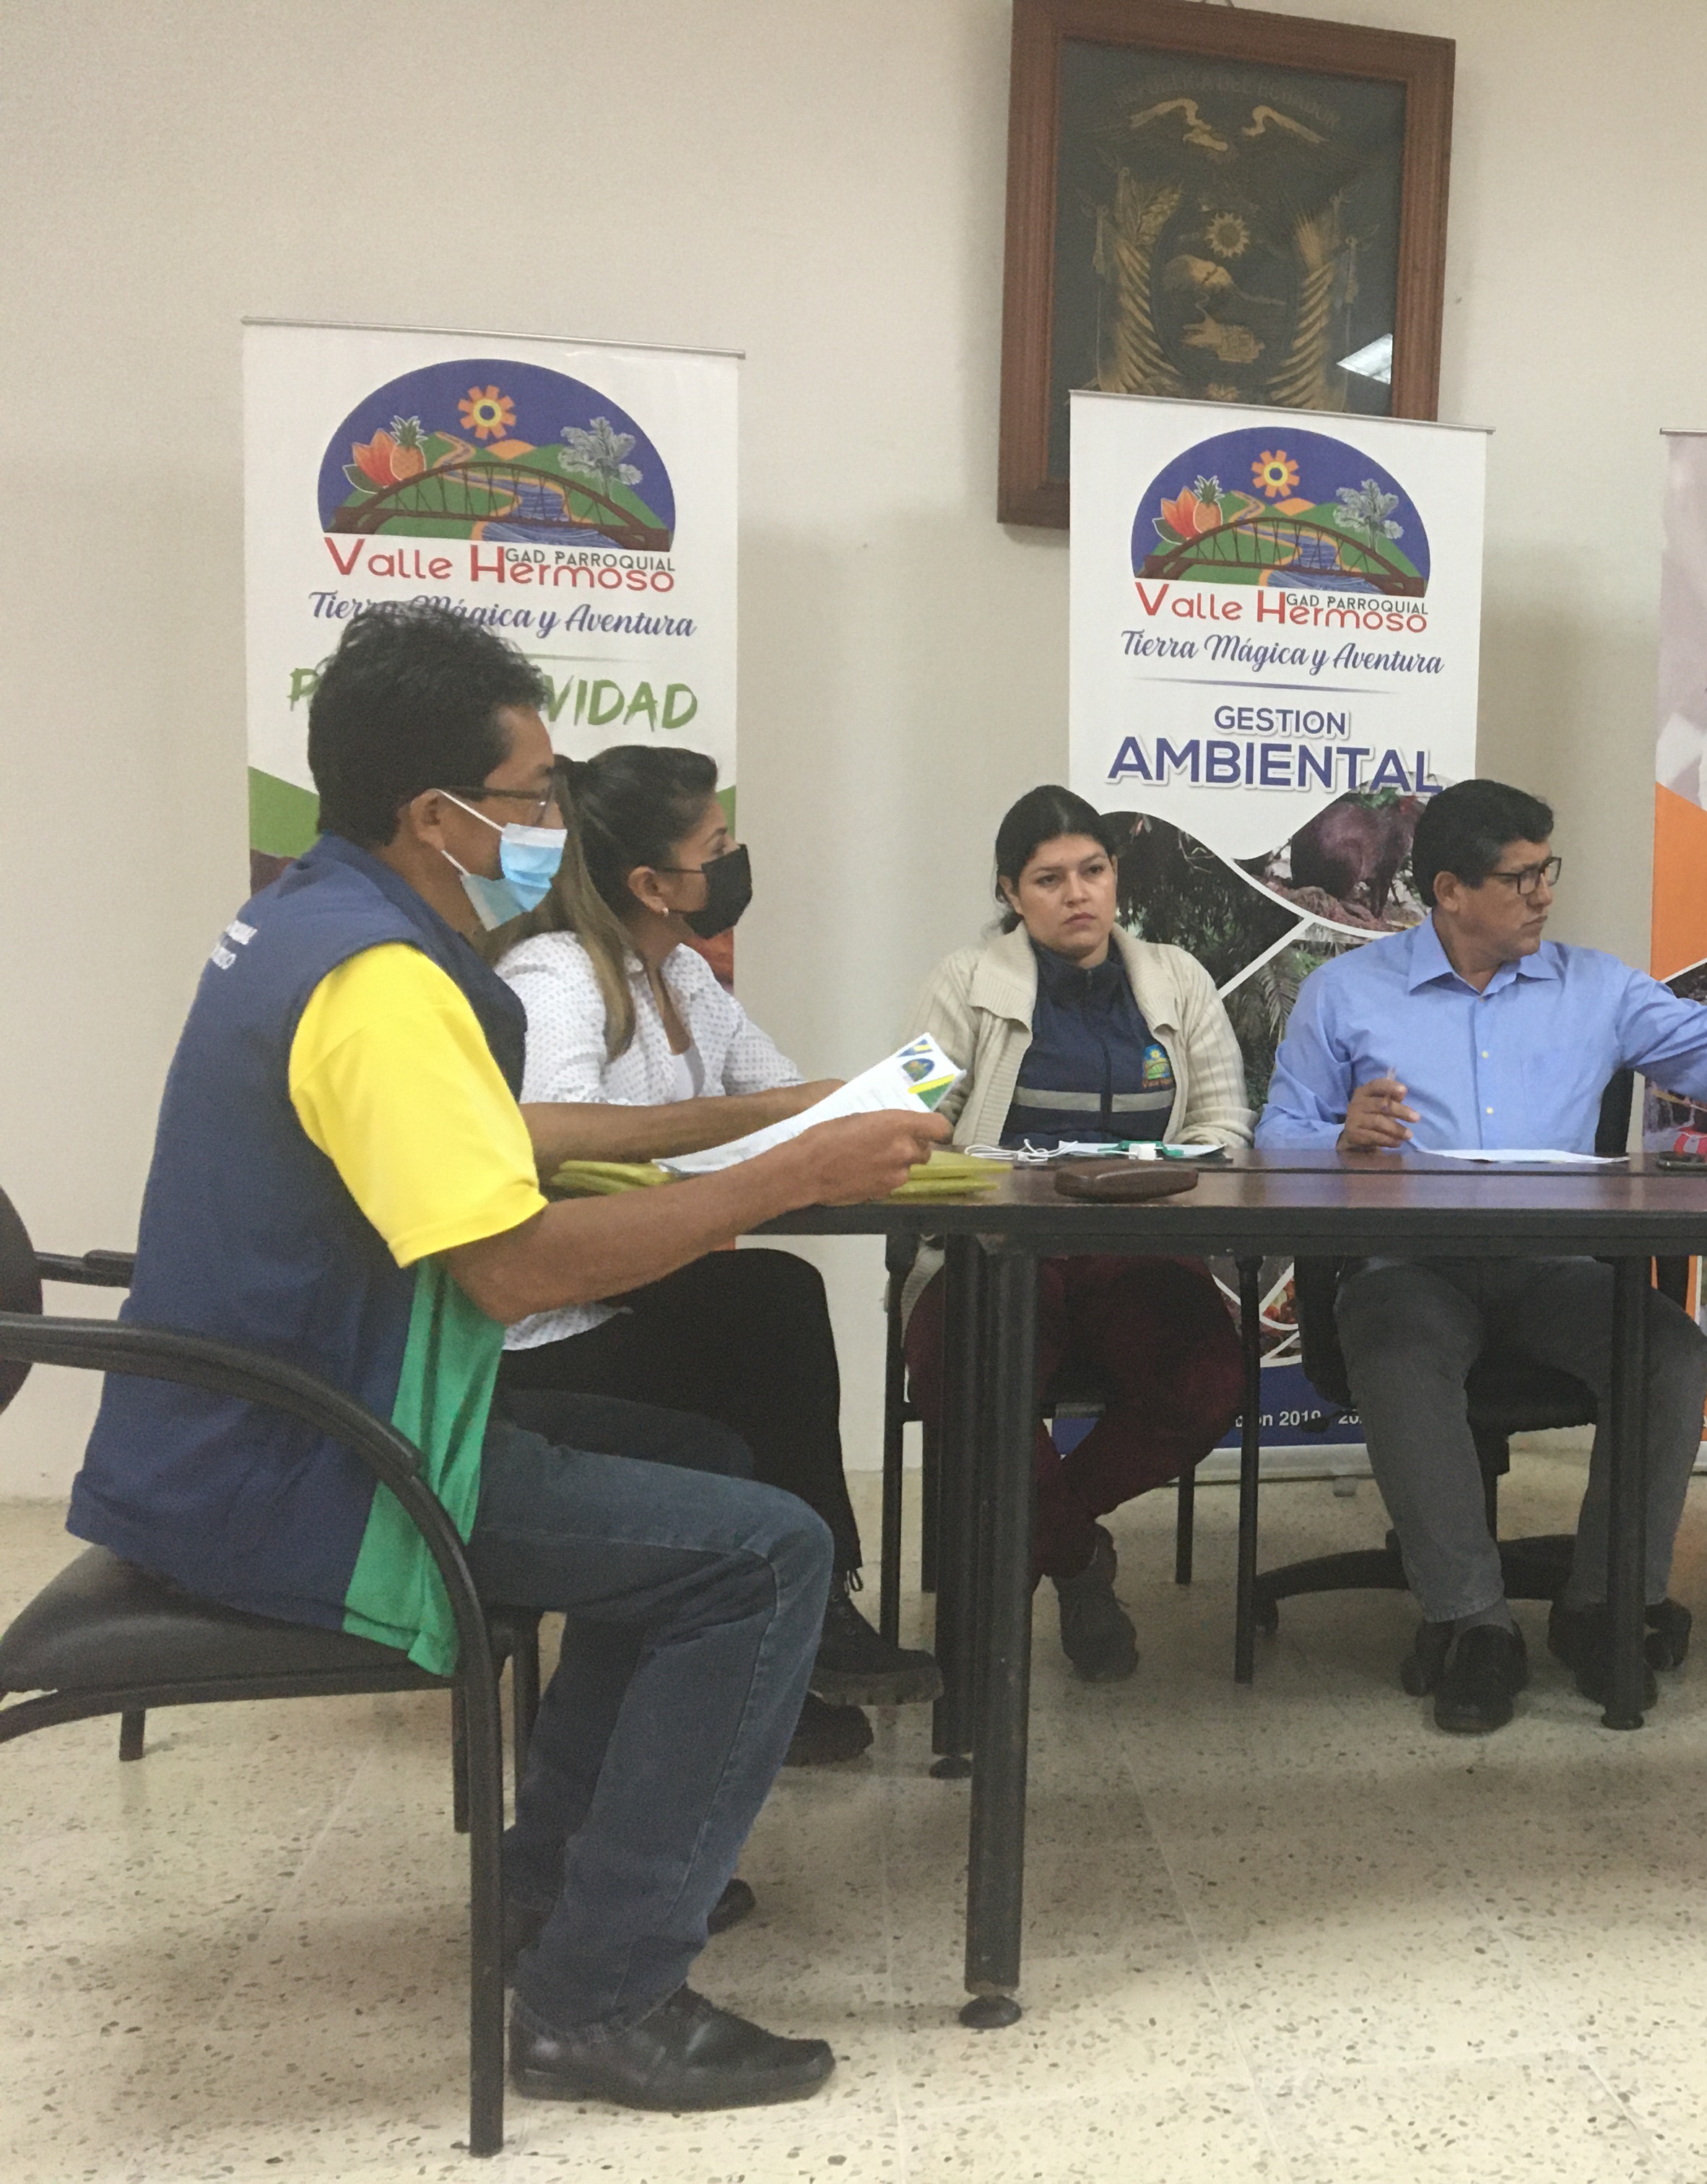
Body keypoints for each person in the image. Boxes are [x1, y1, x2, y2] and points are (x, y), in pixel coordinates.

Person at [66, 604, 949, 2108]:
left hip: (287, 1420)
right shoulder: (381, 983)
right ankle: (600, 1999)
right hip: (318, 1465)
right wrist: (789, 1173)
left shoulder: (314, 921)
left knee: (701, 1464)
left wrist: (760, 1122)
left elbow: (504, 1146)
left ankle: (557, 1882)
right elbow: (516, 1268)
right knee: (765, 1552)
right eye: (535, 794)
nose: (554, 822)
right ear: (437, 814)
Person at [1256, 777, 1707, 1735]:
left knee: (1670, 1353)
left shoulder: (1597, 988)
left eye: (1548, 871)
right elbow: (1274, 1143)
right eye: (1521, 879)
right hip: (1412, 1269)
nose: (1544, 895)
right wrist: (1338, 1139)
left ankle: (1607, 1604)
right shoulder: (1345, 993)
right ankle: (1473, 1623)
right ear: (1449, 891)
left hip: (1554, 1271)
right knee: (1397, 1346)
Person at [488, 745, 942, 1766]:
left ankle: (786, 1650)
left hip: (637, 1293)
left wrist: (870, 1112)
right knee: (768, 1312)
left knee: (767, 1307)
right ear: (652, 884)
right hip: (547, 1322)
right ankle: (805, 1631)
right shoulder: (554, 976)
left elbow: (780, 1093)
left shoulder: (684, 973)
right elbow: (551, 1134)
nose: (735, 863)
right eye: (717, 848)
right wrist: (771, 1122)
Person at [903, 786, 1252, 1681]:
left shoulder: (1177, 978)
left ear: (1115, 875)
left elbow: (1226, 1124)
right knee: (963, 1371)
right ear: (1010, 892)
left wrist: (1167, 1167)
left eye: (1092, 871)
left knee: (1209, 1381)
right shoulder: (963, 980)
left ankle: (1041, 1541)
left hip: (1139, 1242)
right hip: (998, 1243)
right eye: (1049, 879)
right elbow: (907, 1117)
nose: (1077, 895)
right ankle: (1076, 1557)